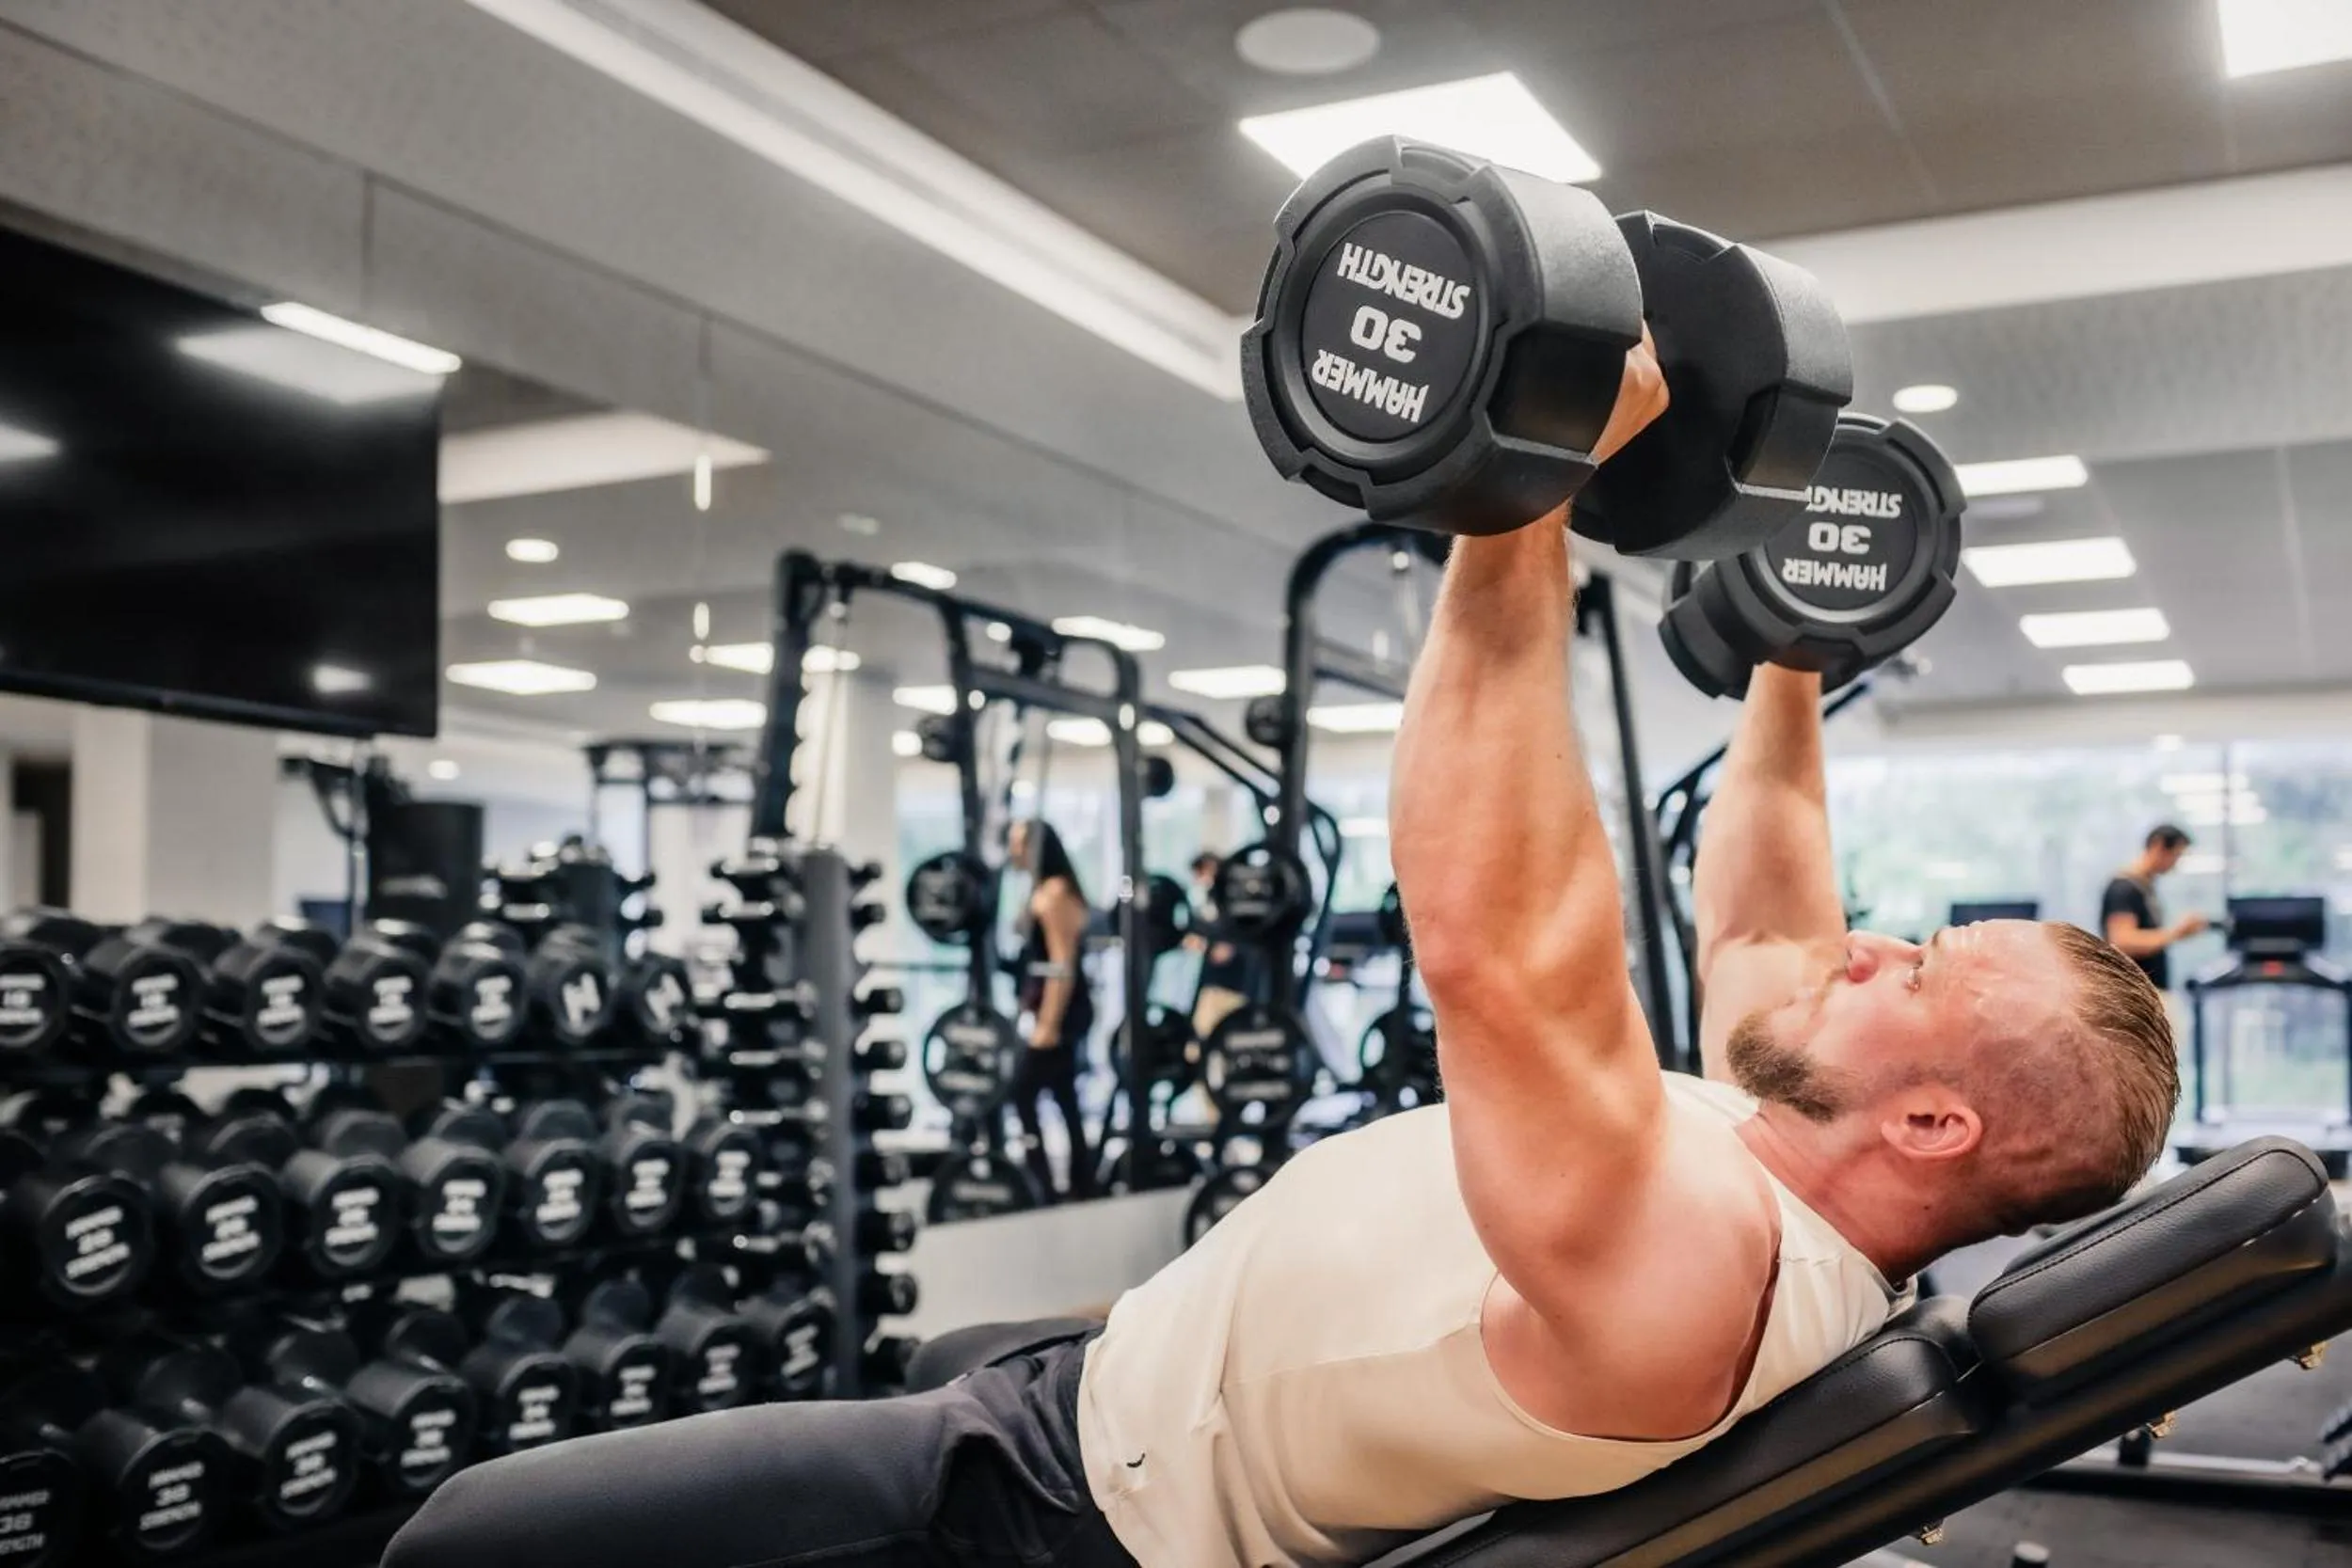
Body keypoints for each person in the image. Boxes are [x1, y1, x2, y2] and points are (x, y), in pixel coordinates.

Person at [383, 339, 2180, 1568]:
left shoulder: (1702, 1267)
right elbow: (1774, 911)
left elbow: (1499, 947)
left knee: (465, 1535)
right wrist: (1792, 643)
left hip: (1067, 1502)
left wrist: (1521, 485)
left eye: (1922, 968)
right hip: (1120, 1366)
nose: (1864, 949)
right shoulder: (1773, 1148)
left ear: (1937, 1128)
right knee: (923, 1339)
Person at [1007, 816, 1097, 1202]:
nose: (1012, 851)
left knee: (1022, 1091)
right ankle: (1080, 1183)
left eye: (1017, 843)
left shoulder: (1056, 893)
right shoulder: (1042, 890)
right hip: (1052, 1010)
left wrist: (1048, 1024)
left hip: (1062, 1012)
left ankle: (1042, 1181)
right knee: (1064, 1097)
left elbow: (1062, 964)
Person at [2101, 823, 2210, 990]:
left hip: (2150, 990)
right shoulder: (2124, 888)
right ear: (2158, 845)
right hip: (2134, 993)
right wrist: (2176, 933)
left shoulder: (2145, 887)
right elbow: (2122, 941)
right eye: (2176, 856)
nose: (2175, 864)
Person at [1184, 849, 1251, 1039]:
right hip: (1214, 982)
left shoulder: (1233, 901)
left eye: (1200, 874)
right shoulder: (1211, 901)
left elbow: (1226, 948)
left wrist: (1210, 947)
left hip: (1232, 984)